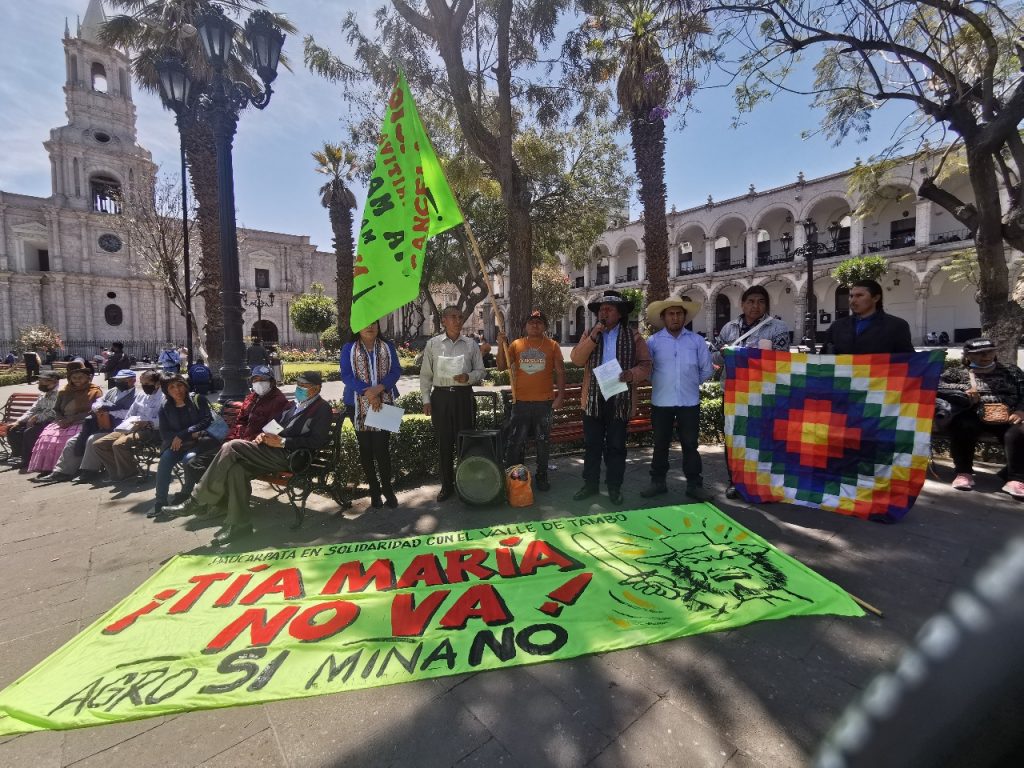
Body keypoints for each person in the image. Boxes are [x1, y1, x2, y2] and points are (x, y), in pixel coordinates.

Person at [162, 371, 333, 545]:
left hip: (294, 457)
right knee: (237, 469)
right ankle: (240, 526)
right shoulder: (294, 405)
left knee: (232, 446)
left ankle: (196, 500)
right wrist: (263, 435)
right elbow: (275, 425)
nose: (299, 389)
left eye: (304, 386)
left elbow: (317, 441)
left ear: (316, 388)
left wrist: (283, 442)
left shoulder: (322, 408)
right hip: (273, 452)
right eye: (298, 385)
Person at [570, 290, 652, 504]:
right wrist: (593, 336)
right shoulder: (589, 333)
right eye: (600, 309)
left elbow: (645, 365)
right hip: (593, 399)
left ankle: (614, 487)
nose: (603, 313)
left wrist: (631, 374)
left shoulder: (633, 336)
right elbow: (577, 359)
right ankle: (590, 485)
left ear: (620, 313)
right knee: (592, 445)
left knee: (616, 446)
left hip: (620, 399)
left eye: (608, 309)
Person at [713, 285, 792, 498]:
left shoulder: (777, 328)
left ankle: (764, 482)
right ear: (742, 303)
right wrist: (723, 353)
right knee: (734, 437)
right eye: (750, 301)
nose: (755, 306)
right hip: (732, 392)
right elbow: (715, 359)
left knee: (764, 438)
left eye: (760, 301)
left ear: (766, 304)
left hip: (764, 392)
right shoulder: (729, 328)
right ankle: (735, 481)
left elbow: (783, 360)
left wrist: (755, 356)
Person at [174, 365, 288, 510]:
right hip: (234, 444)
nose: (259, 383)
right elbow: (239, 422)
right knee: (194, 464)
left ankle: (202, 501)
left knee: (233, 468)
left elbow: (271, 430)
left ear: (271, 382)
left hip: (253, 448)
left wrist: (244, 442)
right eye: (255, 379)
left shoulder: (279, 402)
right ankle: (222, 501)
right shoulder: (251, 398)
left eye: (263, 379)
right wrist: (229, 441)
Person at [641, 297, 715, 501]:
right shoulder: (653, 342)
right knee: (660, 443)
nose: (675, 317)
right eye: (671, 314)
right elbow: (647, 371)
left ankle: (694, 485)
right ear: (663, 317)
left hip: (689, 402)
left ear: (684, 317)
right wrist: (664, 382)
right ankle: (658, 483)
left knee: (690, 444)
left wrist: (689, 382)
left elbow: (707, 370)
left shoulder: (697, 341)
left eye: (679, 313)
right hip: (661, 402)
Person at [938, 337, 1024, 500]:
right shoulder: (958, 373)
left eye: (990, 351)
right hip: (973, 414)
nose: (986, 356)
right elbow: (936, 384)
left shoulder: (1011, 371)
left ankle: (1015, 479)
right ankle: (963, 473)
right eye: (979, 353)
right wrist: (963, 389)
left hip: (1008, 415)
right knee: (962, 426)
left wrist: (1021, 411)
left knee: (1018, 433)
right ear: (967, 355)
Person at [420, 306, 486, 501]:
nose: (458, 321)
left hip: (463, 396)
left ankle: (466, 483)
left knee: (466, 442)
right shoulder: (432, 344)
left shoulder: (471, 344)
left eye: (460, 317)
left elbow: (481, 371)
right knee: (444, 443)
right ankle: (446, 485)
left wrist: (469, 376)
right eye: (453, 317)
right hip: (441, 398)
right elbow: (425, 375)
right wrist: (426, 399)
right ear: (444, 320)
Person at [496, 310, 566, 491]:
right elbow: (501, 366)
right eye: (531, 322)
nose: (535, 325)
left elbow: (560, 371)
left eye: (539, 322)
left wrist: (560, 396)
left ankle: (542, 476)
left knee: (543, 442)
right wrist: (500, 345)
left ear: (544, 326)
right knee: (515, 442)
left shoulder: (552, 345)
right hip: (521, 403)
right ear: (525, 326)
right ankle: (512, 477)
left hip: (544, 404)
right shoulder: (516, 344)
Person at [341, 321, 401, 509]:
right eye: (365, 323)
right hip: (356, 404)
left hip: (385, 401)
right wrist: (367, 392)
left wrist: (379, 389)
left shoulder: (388, 346)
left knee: (382, 449)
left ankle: (388, 489)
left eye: (374, 323)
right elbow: (346, 375)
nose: (370, 326)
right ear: (357, 327)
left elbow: (396, 371)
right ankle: (374, 491)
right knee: (366, 449)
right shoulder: (348, 348)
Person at [48, 369, 138, 481]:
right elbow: (97, 403)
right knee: (73, 441)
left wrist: (109, 410)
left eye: (123, 380)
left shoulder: (137, 395)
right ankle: (62, 471)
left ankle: (89, 471)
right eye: (117, 380)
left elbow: (130, 414)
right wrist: (99, 407)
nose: (119, 382)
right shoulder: (112, 391)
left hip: (118, 428)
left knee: (92, 439)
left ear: (132, 381)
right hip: (99, 424)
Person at [151, 374, 218, 518]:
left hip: (200, 443)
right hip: (178, 445)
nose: (177, 390)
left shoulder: (197, 399)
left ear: (185, 385)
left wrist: (182, 434)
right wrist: (179, 438)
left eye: (179, 385)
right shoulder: (165, 407)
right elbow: (164, 432)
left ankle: (186, 493)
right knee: (165, 460)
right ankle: (160, 501)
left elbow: (206, 421)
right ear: (166, 391)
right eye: (172, 387)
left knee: (189, 459)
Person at [84, 370, 165, 482]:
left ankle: (129, 474)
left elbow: (165, 421)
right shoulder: (142, 395)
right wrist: (126, 426)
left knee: (119, 444)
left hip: (152, 430)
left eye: (147, 384)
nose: (144, 387)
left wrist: (147, 422)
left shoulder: (164, 398)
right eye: (142, 384)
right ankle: (117, 472)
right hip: (132, 427)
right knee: (99, 444)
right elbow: (130, 414)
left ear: (157, 384)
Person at [26, 362, 102, 476]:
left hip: (83, 422)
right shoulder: (64, 391)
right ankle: (48, 468)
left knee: (66, 440)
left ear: (87, 377)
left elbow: (94, 411)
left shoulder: (95, 391)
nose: (77, 380)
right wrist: (60, 420)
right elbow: (56, 409)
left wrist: (72, 419)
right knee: (47, 437)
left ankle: (70, 468)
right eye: (74, 378)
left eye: (80, 377)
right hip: (63, 422)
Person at [823, 279, 914, 354]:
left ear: (876, 298)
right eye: (851, 296)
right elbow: (823, 357)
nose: (852, 301)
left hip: (878, 375)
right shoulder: (837, 326)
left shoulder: (897, 326)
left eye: (859, 296)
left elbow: (907, 360)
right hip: (844, 375)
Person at [5, 370, 60, 471]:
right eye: (40, 380)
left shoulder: (59, 393)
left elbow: (53, 412)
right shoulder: (43, 394)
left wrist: (37, 418)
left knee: (29, 432)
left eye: (43, 381)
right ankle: (21, 455)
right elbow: (33, 409)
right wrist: (19, 421)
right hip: (37, 420)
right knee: (12, 429)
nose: (39, 383)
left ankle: (27, 460)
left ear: (54, 381)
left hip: (52, 422)